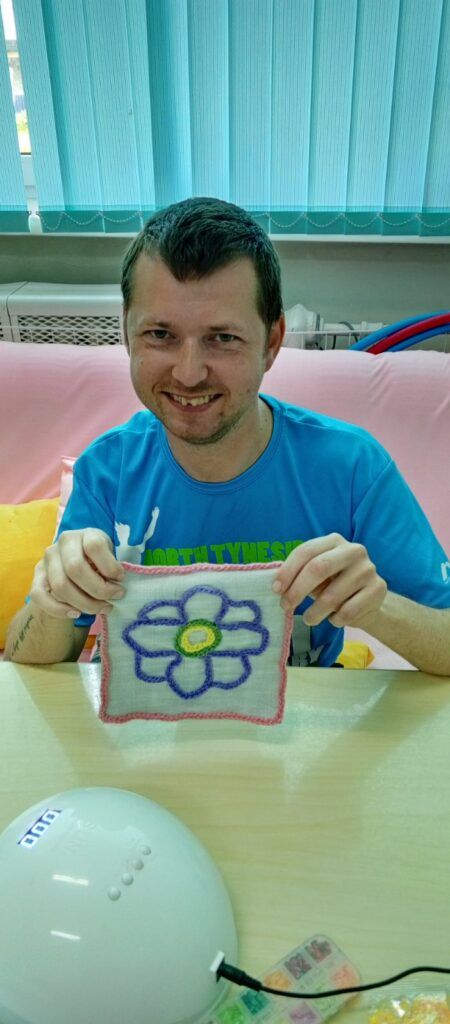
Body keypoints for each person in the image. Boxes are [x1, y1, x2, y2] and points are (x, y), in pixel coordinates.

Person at [5, 197, 450, 673]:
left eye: (223, 338)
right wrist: (53, 600)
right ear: (128, 334)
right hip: (140, 715)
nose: (189, 373)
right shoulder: (106, 472)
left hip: (304, 719)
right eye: (160, 334)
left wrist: (379, 609)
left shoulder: (352, 468)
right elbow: (26, 663)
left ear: (272, 343)